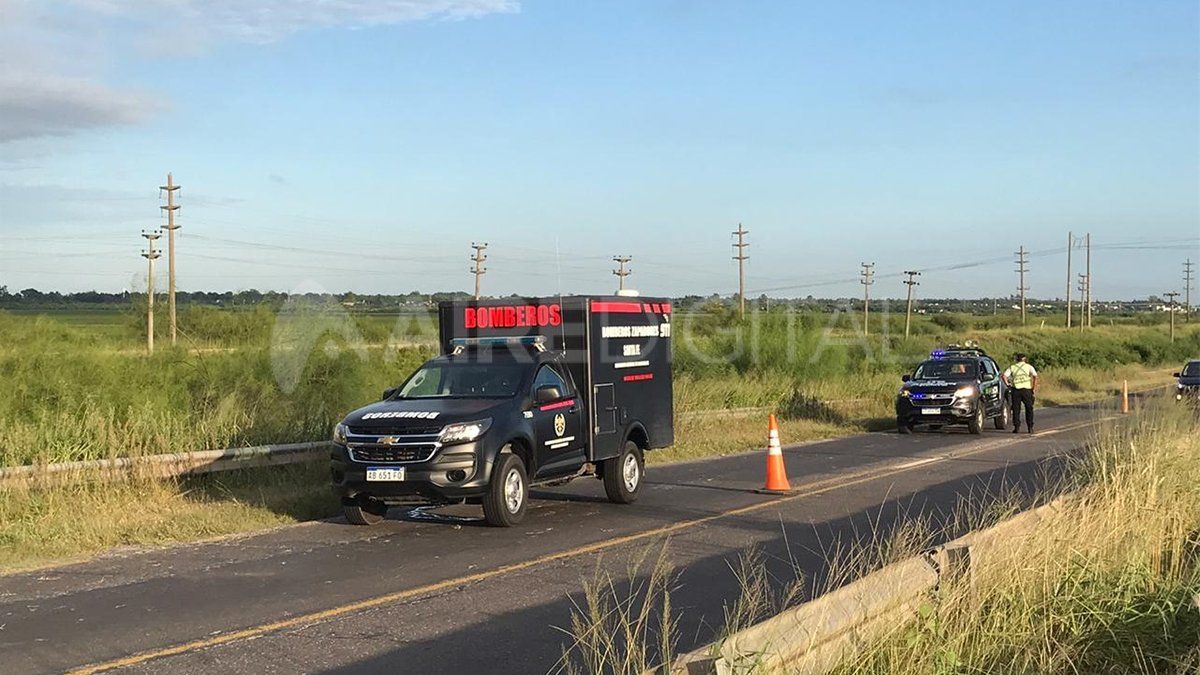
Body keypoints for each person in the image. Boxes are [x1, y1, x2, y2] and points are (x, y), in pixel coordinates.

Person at [1003, 353, 1038, 433]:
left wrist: (1008, 384)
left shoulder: (1012, 367)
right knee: (1029, 408)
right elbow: (1035, 376)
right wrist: (1034, 388)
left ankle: (1017, 427)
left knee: (1016, 409)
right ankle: (1030, 427)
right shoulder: (1029, 367)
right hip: (1026, 390)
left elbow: (1004, 376)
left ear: (1017, 360)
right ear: (1025, 360)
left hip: (1016, 390)